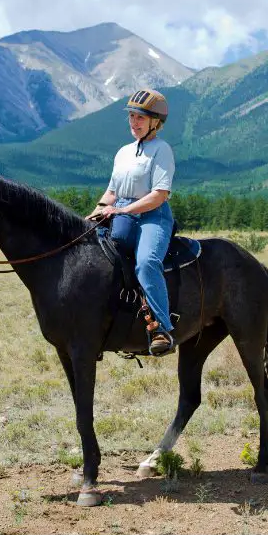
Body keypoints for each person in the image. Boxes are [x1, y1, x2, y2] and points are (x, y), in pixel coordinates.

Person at [87, 89, 176, 356]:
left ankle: (161, 329)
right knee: (93, 255)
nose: (134, 122)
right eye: (132, 117)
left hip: (152, 215)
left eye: (140, 118)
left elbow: (159, 195)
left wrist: (120, 211)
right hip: (121, 211)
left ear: (155, 122)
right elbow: (112, 192)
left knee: (147, 262)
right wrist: (95, 213)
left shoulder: (162, 150)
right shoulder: (123, 152)